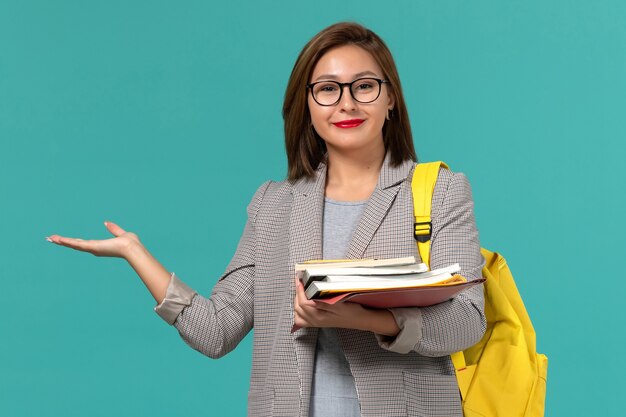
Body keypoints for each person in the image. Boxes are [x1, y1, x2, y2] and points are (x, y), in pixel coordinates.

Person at [47, 22, 486, 417]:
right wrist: (134, 253)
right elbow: (216, 331)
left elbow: (467, 322)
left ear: (390, 99)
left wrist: (364, 319)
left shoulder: (440, 192)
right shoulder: (273, 205)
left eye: (364, 86)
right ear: (308, 107)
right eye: (328, 89)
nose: (347, 103)